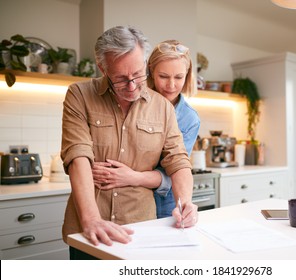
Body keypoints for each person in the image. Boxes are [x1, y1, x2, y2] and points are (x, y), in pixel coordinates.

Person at [60, 26, 198, 259]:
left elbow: (178, 161)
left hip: (140, 230)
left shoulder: (163, 107)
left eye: (137, 74)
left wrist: (185, 203)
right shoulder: (79, 95)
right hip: (88, 230)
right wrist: (91, 219)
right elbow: (78, 155)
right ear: (103, 68)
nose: (132, 87)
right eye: (121, 79)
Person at [92, 40, 200, 218]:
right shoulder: (130, 98)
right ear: (149, 70)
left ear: (187, 75)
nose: (171, 85)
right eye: (164, 76)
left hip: (166, 204)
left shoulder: (189, 118)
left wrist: (132, 176)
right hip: (124, 202)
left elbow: (172, 172)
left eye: (179, 77)